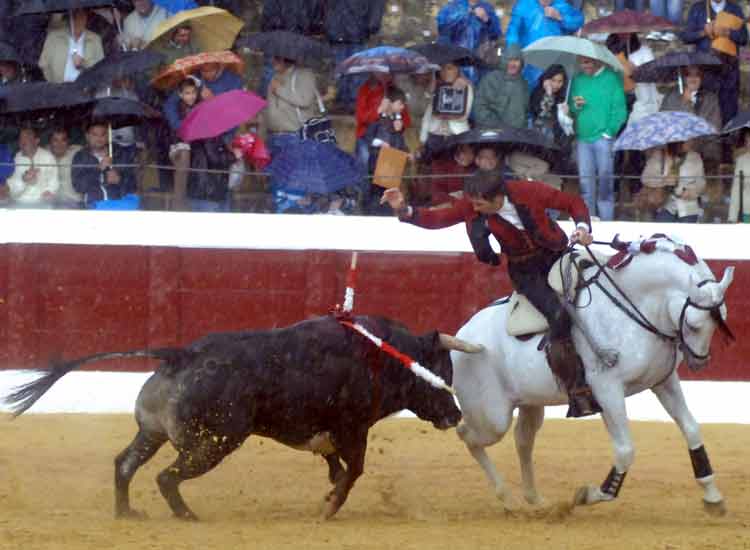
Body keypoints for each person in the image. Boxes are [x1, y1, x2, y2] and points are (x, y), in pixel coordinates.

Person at [380, 169, 600, 418]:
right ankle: (578, 390)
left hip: (559, 254)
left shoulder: (529, 191)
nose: (474, 209)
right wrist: (403, 209)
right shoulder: (474, 206)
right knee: (558, 316)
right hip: (527, 271)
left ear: (498, 198)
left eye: (479, 204)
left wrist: (582, 228)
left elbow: (572, 202)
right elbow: (438, 219)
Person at [568, 56, 627, 221]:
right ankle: (588, 223)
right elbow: (573, 107)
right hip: (583, 138)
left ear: (597, 60)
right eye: (581, 62)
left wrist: (609, 131)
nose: (583, 66)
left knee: (605, 185)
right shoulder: (578, 80)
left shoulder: (612, 79)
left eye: (587, 62)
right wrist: (575, 106)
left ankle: (607, 223)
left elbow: (620, 109)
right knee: (586, 185)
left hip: (604, 139)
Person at [682, 0, 748, 127]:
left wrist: (729, 33)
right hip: (705, 69)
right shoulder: (697, 8)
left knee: (729, 111)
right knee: (706, 110)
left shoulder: (735, 9)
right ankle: (708, 142)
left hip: (730, 71)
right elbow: (685, 36)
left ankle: (727, 142)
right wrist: (704, 32)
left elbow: (744, 38)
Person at [323, 0, 387, 112]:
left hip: (355, 30)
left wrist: (372, 26)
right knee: (343, 69)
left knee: (355, 69)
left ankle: (353, 101)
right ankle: (344, 101)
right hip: (343, 30)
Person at [504, 0, 583, 88]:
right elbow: (513, 30)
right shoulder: (524, 4)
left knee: (547, 94)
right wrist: (513, 54)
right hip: (528, 60)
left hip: (553, 62)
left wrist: (560, 17)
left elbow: (578, 22)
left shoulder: (562, 5)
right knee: (525, 91)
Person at [660, 66, 722, 166]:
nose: (693, 78)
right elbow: (662, 123)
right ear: (683, 78)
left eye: (697, 75)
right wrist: (684, 102)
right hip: (674, 147)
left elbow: (715, 129)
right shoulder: (671, 96)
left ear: (702, 77)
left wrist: (693, 142)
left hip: (703, 149)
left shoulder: (710, 99)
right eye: (689, 74)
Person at [436, 0, 502, 86]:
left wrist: (487, 19)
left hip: (481, 64)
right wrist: (463, 13)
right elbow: (443, 30)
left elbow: (496, 34)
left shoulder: (487, 8)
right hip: (457, 64)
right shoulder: (452, 8)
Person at [354, 73, 412, 171]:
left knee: (389, 175)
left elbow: (405, 119)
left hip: (390, 141)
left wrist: (400, 124)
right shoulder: (365, 90)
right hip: (367, 137)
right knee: (364, 162)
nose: (386, 75)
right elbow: (361, 117)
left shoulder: (393, 91)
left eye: (389, 73)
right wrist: (378, 111)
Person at [72, 121, 136, 207]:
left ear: (108, 136)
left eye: (103, 134)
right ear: (87, 136)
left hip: (121, 204)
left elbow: (133, 184)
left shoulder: (120, 153)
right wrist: (98, 170)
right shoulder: (80, 156)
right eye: (95, 135)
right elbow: (78, 186)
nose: (99, 138)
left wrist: (120, 179)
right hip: (94, 205)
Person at [419, 62, 473, 162]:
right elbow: (426, 114)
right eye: (442, 68)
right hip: (434, 135)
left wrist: (445, 115)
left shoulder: (466, 85)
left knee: (454, 169)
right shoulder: (435, 86)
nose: (444, 72)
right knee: (434, 168)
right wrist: (422, 138)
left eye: (449, 68)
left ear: (457, 70)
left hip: (456, 135)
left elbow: (464, 115)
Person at [640, 141, 705, 222]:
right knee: (662, 232)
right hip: (664, 205)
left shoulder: (695, 157)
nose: (691, 143)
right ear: (677, 143)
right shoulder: (659, 156)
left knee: (686, 233)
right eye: (687, 141)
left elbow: (701, 182)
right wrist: (664, 181)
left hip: (688, 207)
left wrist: (692, 191)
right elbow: (645, 178)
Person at [528, 64, 574, 172]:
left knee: (557, 173)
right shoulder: (537, 93)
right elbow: (541, 114)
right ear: (547, 79)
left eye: (560, 81)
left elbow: (569, 127)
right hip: (541, 142)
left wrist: (567, 114)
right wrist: (548, 94)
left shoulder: (564, 96)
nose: (556, 85)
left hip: (560, 144)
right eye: (553, 80)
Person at [38, 9, 104, 83]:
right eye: (75, 17)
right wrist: (53, 84)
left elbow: (101, 70)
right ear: (69, 19)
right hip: (58, 89)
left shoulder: (95, 39)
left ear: (86, 18)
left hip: (85, 89)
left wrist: (83, 64)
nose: (79, 21)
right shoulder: (53, 37)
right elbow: (43, 65)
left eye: (82, 17)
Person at [165, 77, 202, 210]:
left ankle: (183, 203)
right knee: (181, 174)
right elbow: (178, 129)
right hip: (178, 146)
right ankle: (178, 205)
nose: (191, 96)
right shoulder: (176, 107)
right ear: (180, 94)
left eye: (193, 92)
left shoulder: (198, 107)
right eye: (187, 93)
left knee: (187, 178)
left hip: (193, 147)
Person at [473, 44, 529, 130]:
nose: (513, 64)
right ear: (504, 60)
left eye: (516, 60)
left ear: (521, 62)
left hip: (517, 135)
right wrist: (498, 127)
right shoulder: (491, 79)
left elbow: (525, 112)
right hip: (494, 133)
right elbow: (480, 108)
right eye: (509, 60)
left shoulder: (523, 83)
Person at [6, 127, 60, 208]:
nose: (23, 141)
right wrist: (24, 181)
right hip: (20, 204)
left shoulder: (47, 157)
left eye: (27, 136)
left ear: (36, 140)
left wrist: (49, 191)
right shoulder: (14, 160)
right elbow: (12, 192)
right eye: (21, 138)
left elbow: (54, 181)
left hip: (43, 203)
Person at [44, 127, 83, 208]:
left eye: (63, 140)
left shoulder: (77, 152)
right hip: (49, 203)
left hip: (74, 203)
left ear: (68, 142)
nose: (59, 144)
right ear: (50, 143)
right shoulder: (43, 155)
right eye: (55, 140)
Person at [729, 129, 750, 222]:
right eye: (747, 141)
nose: (749, 144)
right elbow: (736, 189)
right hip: (747, 210)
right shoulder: (741, 160)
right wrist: (732, 217)